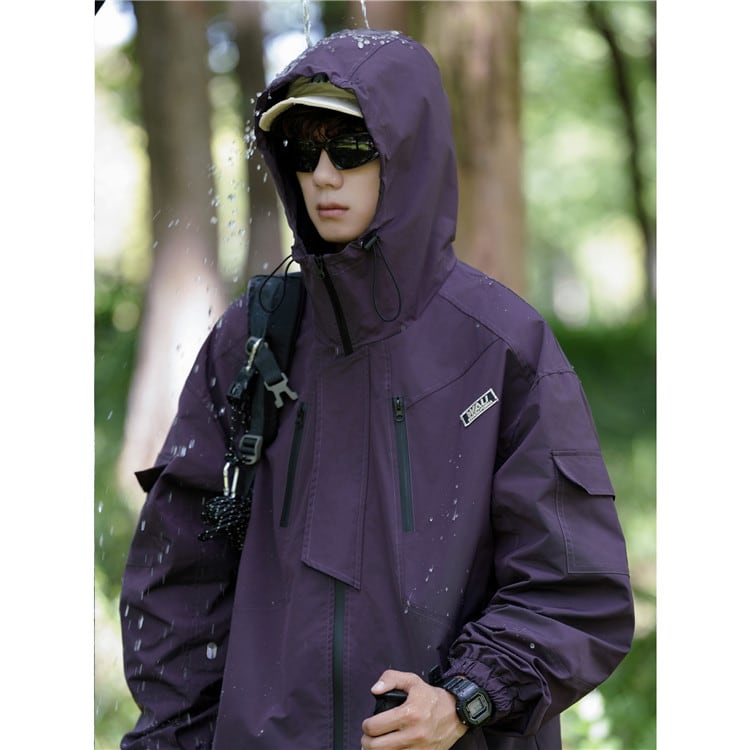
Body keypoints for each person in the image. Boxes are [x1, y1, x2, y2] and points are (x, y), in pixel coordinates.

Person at [119, 29, 634, 750]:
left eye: (350, 147)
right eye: (303, 150)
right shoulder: (251, 340)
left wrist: (465, 698)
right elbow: (179, 579)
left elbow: (574, 587)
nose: (323, 175)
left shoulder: (503, 346)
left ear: (406, 150)